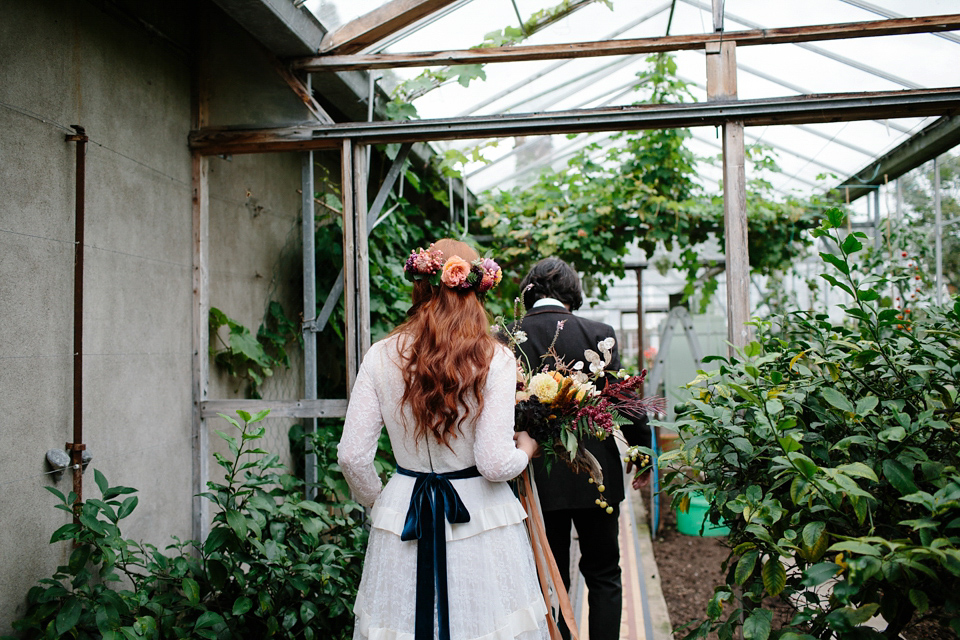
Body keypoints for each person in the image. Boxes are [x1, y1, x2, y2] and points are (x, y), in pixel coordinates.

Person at [338, 239, 549, 640]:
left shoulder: (380, 356)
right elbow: (493, 463)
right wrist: (526, 449)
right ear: (477, 290)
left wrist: (382, 500)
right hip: (479, 518)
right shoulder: (495, 358)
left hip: (406, 514)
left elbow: (352, 456)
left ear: (419, 285)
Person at [511, 257, 652, 640]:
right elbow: (628, 402)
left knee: (550, 576)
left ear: (529, 292)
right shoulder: (598, 332)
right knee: (605, 573)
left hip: (535, 475)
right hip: (597, 476)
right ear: (572, 292)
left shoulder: (508, 335)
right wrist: (642, 454)